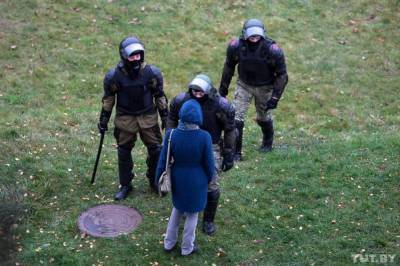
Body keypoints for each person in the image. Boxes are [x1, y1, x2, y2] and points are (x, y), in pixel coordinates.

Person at [97, 36, 168, 200]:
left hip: (148, 117)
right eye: (132, 56)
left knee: (156, 149)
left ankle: (154, 180)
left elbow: (159, 95)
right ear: (124, 56)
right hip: (125, 118)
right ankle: (126, 184)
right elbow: (109, 99)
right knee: (123, 152)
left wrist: (165, 116)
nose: (136, 59)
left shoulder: (152, 73)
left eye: (138, 55)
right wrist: (103, 119)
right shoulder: (114, 76)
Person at [167, 74, 236, 235]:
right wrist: (170, 139)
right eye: (194, 92)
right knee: (185, 178)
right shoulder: (180, 101)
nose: (197, 95)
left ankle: (208, 220)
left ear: (208, 91)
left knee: (212, 184)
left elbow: (230, 129)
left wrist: (228, 154)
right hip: (187, 140)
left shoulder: (221, 106)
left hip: (211, 145)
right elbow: (171, 118)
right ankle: (185, 207)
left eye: (201, 92)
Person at [218, 18, 289, 160]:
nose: (254, 37)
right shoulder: (235, 47)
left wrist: (275, 97)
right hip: (244, 85)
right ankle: (236, 152)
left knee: (263, 117)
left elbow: (282, 75)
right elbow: (229, 67)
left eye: (257, 35)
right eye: (251, 35)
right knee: (236, 117)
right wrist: (223, 89)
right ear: (244, 34)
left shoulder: (273, 50)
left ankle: (267, 143)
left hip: (265, 87)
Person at [156, 99, 215, 256]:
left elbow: (163, 161)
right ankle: (187, 248)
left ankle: (169, 243)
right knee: (192, 215)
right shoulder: (205, 137)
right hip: (198, 180)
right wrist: (210, 179)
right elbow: (209, 164)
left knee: (177, 209)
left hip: (178, 178)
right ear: (198, 117)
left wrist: (158, 179)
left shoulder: (171, 134)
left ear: (181, 115)